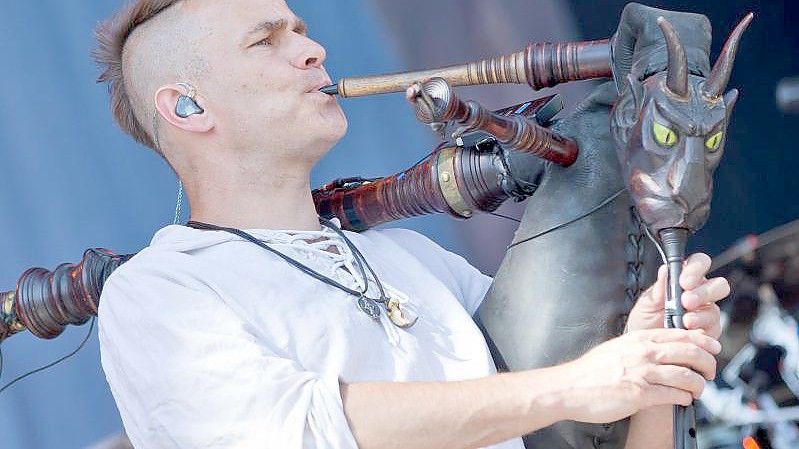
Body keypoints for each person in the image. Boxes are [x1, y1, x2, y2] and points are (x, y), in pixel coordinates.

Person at [94, 1, 730, 448]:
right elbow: (299, 433)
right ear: (186, 104)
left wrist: (653, 368)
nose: (312, 51)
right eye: (268, 40)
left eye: (302, 31)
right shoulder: (159, 291)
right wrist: (576, 384)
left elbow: (582, 425)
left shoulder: (411, 260)